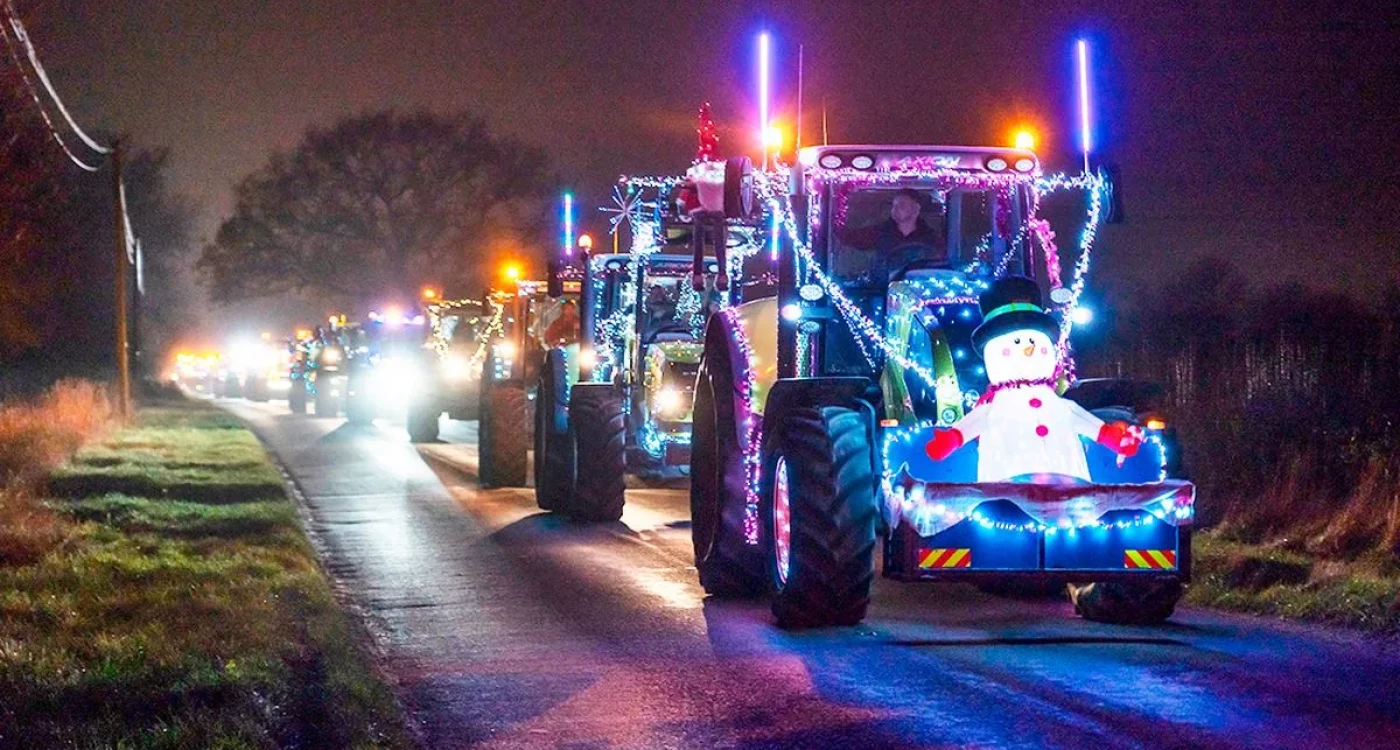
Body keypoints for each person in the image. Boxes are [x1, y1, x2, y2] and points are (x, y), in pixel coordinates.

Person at [841, 187, 945, 281]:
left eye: (901, 205)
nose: (895, 209)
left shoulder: (931, 238)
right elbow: (849, 238)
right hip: (881, 290)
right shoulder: (879, 232)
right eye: (894, 205)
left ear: (916, 209)